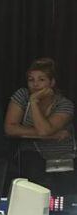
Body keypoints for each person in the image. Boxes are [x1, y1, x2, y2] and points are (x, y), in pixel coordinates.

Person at [4, 58, 75, 193]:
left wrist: (34, 102)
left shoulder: (65, 104)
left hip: (61, 157)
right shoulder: (23, 95)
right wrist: (51, 136)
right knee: (30, 166)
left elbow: (43, 131)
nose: (35, 84)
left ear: (52, 82)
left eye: (41, 80)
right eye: (31, 80)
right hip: (32, 156)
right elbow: (10, 129)